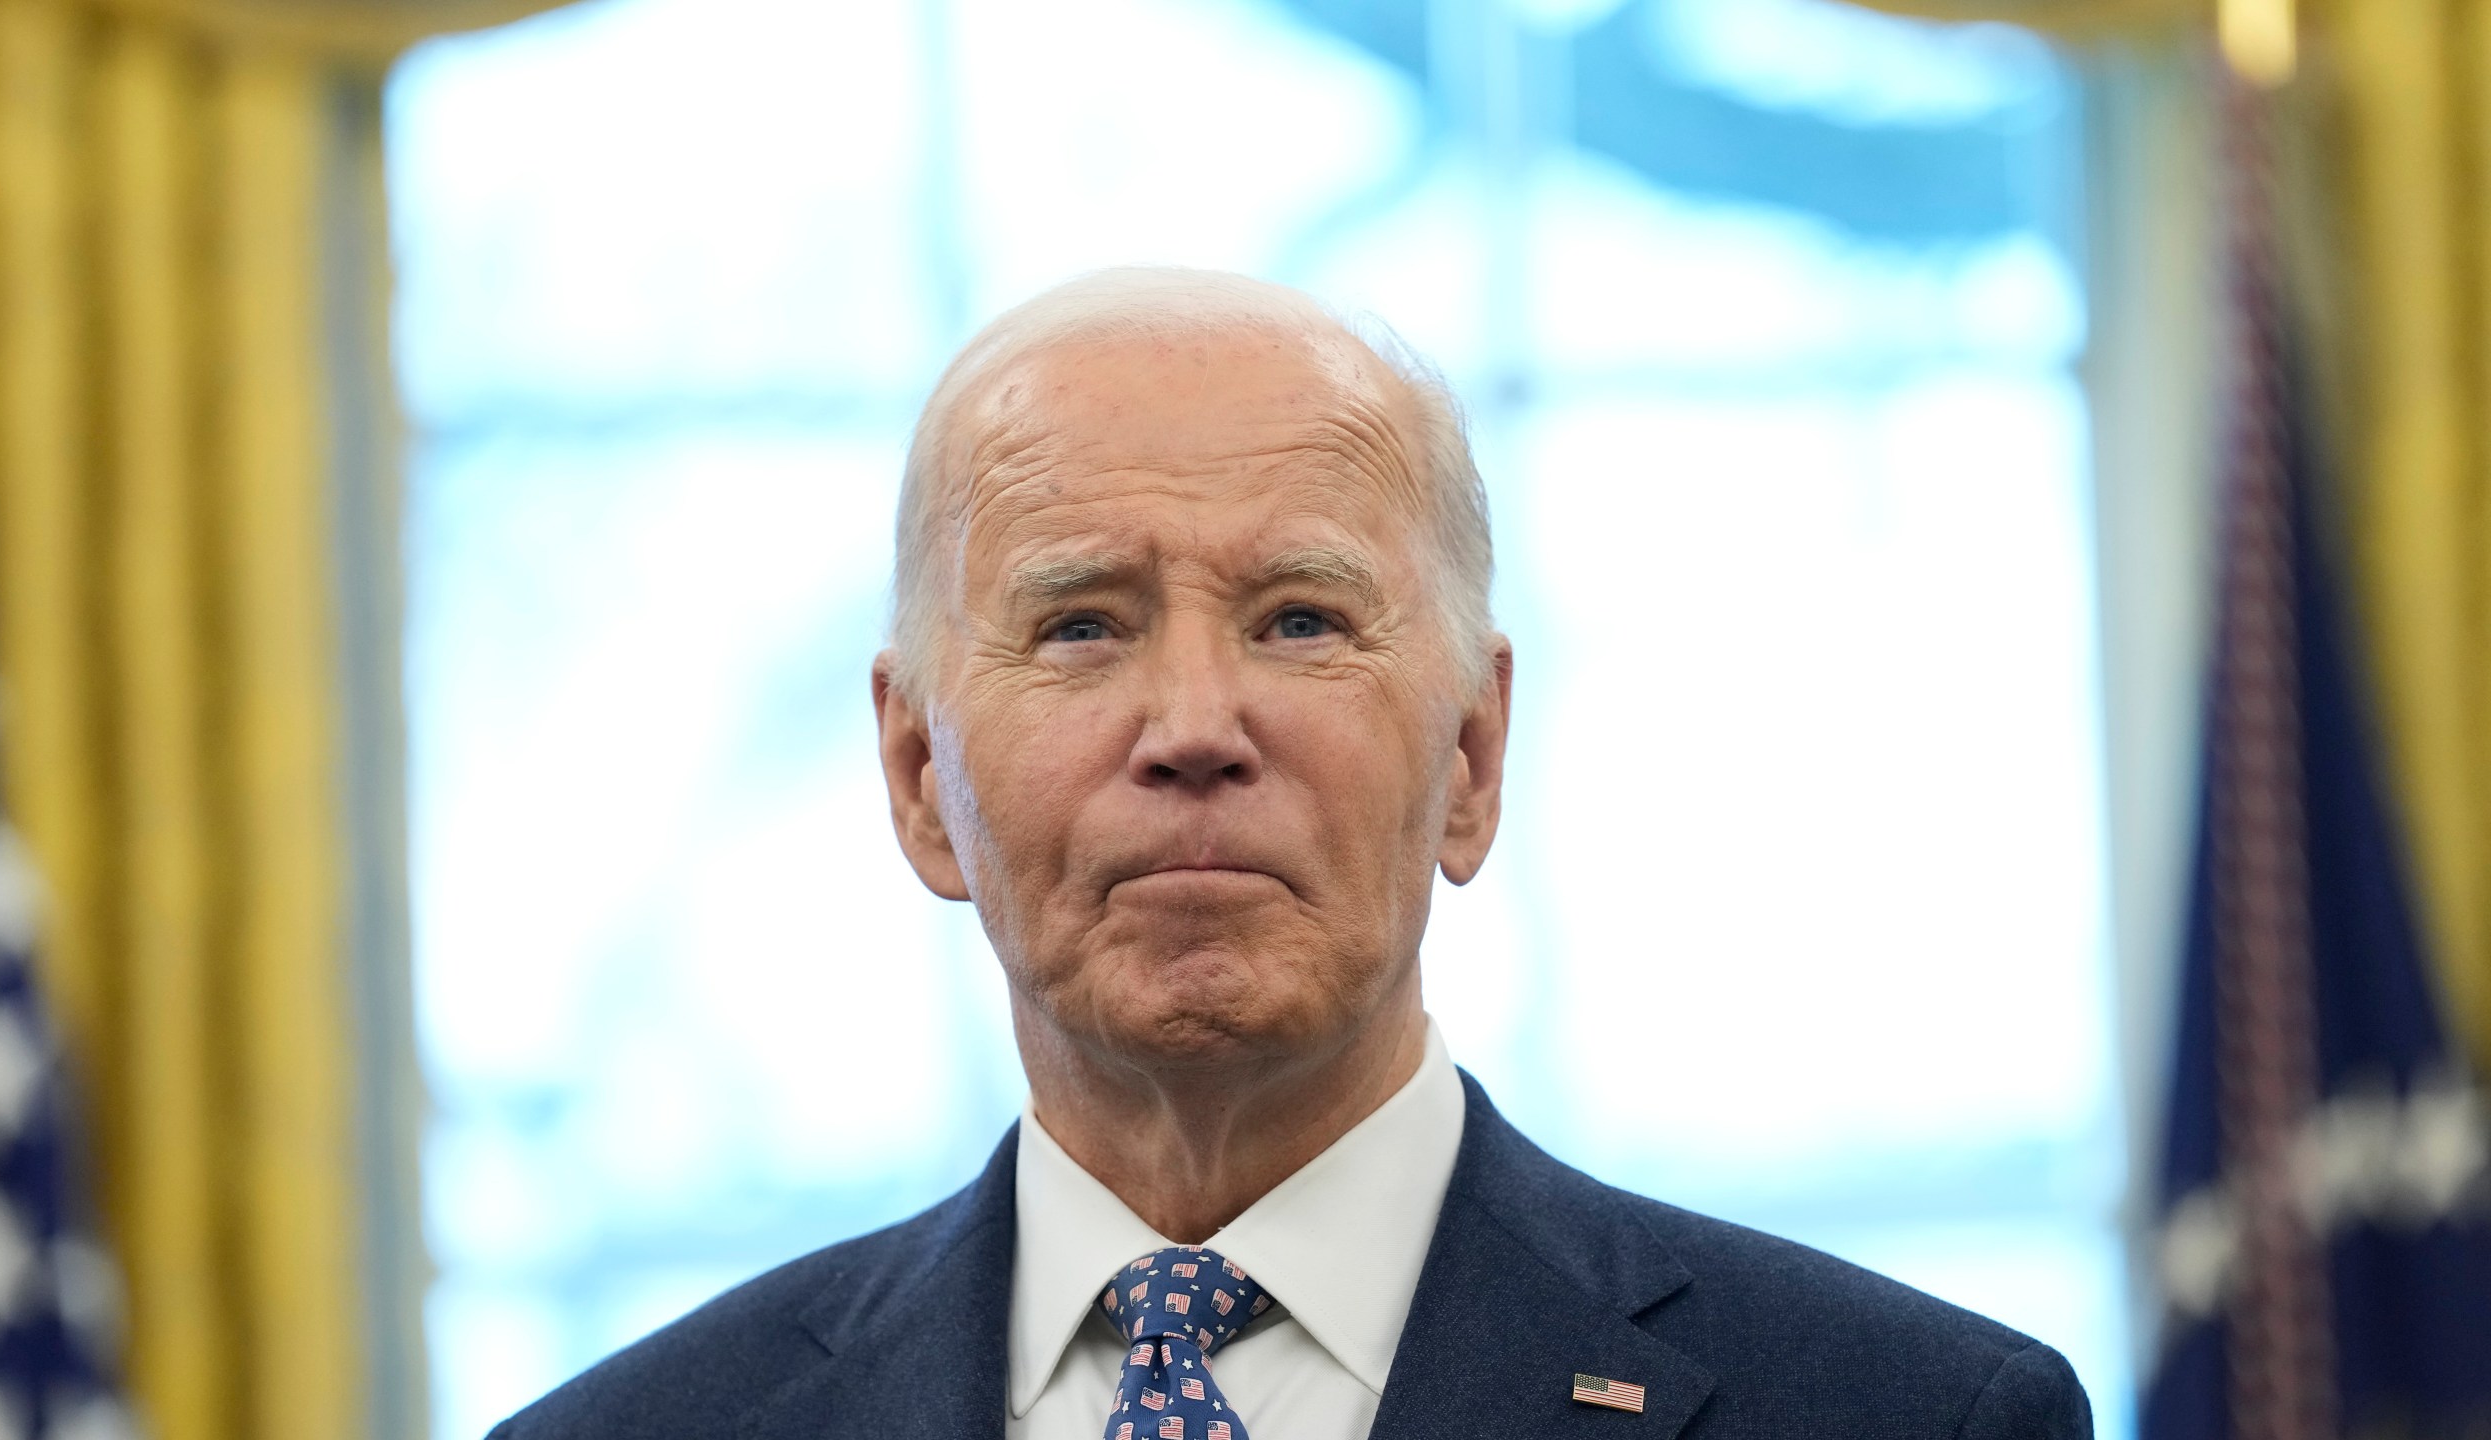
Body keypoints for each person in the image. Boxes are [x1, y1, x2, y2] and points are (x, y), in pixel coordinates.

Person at [492, 268, 2093, 1439]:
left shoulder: (1918, 1417)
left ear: (1471, 755)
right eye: (1081, 626)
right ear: (921, 780)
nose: (1193, 722)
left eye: (1301, 621)